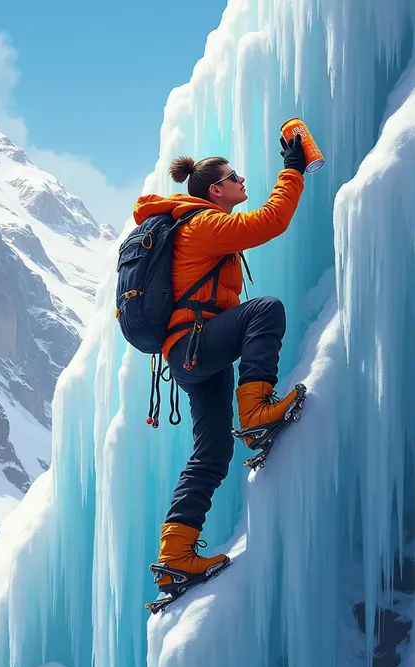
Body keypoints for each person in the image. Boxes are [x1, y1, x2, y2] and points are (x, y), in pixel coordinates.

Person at [134, 134, 306, 600]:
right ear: (214, 190)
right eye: (234, 177)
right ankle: (255, 412)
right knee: (265, 310)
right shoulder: (202, 224)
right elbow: (273, 220)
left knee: (210, 452)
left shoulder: (197, 223)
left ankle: (175, 555)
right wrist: (293, 166)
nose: (241, 179)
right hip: (198, 344)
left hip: (188, 355)